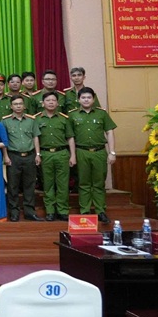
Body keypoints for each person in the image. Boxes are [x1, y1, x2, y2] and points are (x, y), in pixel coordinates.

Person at [68, 87, 116, 223]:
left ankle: (100, 211)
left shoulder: (102, 114)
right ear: (78, 100)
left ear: (93, 99)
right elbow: (70, 137)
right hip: (81, 151)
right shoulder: (72, 115)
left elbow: (110, 132)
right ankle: (85, 210)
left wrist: (112, 152)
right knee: (83, 183)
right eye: (83, 97)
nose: (86, 100)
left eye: (89, 97)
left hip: (99, 152)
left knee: (99, 183)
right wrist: (73, 155)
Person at [36, 92, 76, 221]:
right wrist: (38, 154)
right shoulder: (37, 119)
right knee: (48, 184)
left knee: (62, 184)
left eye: (53, 100)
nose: (51, 102)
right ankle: (50, 211)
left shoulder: (64, 118)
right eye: (48, 100)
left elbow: (70, 137)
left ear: (57, 103)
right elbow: (35, 138)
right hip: (45, 154)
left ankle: (62, 210)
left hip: (62, 153)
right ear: (43, 103)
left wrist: (73, 155)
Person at [2, 95, 41, 222]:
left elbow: (35, 137)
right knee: (13, 185)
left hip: (29, 156)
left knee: (30, 185)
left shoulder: (31, 120)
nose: (18, 106)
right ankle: (14, 212)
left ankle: (30, 212)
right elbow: (3, 140)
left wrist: (38, 154)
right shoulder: (5, 121)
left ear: (24, 106)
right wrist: (5, 156)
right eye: (15, 104)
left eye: (20, 104)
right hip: (13, 156)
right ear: (11, 106)